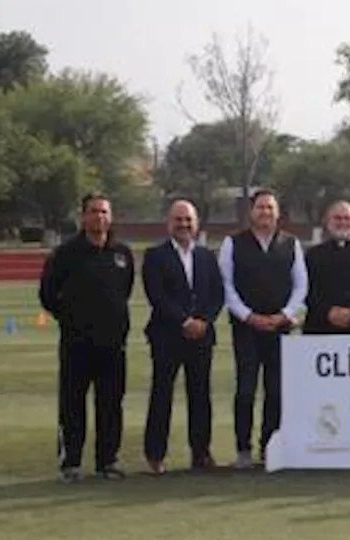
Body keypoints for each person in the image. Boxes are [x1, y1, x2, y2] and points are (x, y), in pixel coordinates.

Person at [39, 193, 135, 482]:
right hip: (77, 344)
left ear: (111, 216)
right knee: (72, 404)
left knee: (110, 404)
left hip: (113, 345)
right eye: (94, 212)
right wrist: (72, 320)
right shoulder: (65, 254)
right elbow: (47, 295)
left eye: (104, 212)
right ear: (83, 217)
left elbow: (124, 291)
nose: (100, 217)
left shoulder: (122, 254)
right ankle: (71, 462)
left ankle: (108, 461)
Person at [217, 189, 307, 468]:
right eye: (260, 207)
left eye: (270, 208)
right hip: (246, 329)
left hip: (280, 329)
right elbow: (226, 286)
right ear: (251, 212)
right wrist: (248, 316)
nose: (265, 212)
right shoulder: (233, 243)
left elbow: (301, 285)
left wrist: (284, 315)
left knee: (276, 391)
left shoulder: (291, 244)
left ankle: (269, 448)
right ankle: (243, 450)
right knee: (245, 390)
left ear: (277, 213)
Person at [142, 200, 225, 474]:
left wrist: (204, 321)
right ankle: (156, 454)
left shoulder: (206, 257)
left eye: (188, 220)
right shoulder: (155, 256)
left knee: (200, 396)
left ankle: (200, 453)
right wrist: (184, 320)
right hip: (167, 336)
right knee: (162, 395)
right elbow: (157, 296)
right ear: (169, 223)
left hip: (201, 337)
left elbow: (217, 295)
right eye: (178, 220)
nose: (184, 225)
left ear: (196, 223)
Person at [304, 200, 350, 335]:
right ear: (328, 221)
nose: (343, 222)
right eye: (337, 218)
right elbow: (307, 289)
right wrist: (328, 311)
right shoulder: (313, 255)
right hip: (319, 328)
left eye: (347, 218)